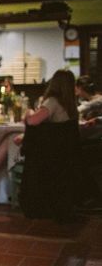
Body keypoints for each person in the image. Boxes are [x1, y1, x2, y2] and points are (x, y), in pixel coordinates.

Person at [18, 68, 81, 221]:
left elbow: (33, 121)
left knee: (18, 142)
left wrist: (28, 113)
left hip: (50, 156)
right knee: (20, 139)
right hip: (65, 154)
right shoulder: (71, 104)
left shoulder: (52, 101)